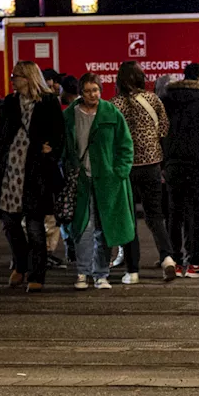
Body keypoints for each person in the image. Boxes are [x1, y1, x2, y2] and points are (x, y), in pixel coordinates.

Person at [0, 61, 65, 293]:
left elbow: (59, 134)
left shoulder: (48, 102)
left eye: (16, 76)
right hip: (11, 171)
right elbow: (1, 132)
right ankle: (21, 265)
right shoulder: (10, 102)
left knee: (35, 227)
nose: (12, 80)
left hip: (35, 172)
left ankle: (37, 274)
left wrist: (51, 149)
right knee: (10, 223)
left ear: (28, 78)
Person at [64, 73, 135, 290]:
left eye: (95, 90)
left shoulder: (111, 113)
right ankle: (83, 273)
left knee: (105, 229)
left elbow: (126, 145)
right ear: (80, 92)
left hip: (108, 182)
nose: (92, 95)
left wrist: (119, 172)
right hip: (82, 181)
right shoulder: (70, 116)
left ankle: (101, 274)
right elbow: (66, 147)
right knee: (82, 228)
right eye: (87, 91)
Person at [111, 62, 177, 283]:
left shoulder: (115, 105)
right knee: (155, 216)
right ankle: (167, 258)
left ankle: (133, 270)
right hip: (151, 166)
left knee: (128, 219)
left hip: (126, 168)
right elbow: (164, 129)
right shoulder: (153, 99)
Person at [161, 62, 199, 278]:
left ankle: (174, 260)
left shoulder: (166, 101)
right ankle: (193, 263)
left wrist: (163, 163)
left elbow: (160, 133)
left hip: (173, 164)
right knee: (196, 216)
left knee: (174, 214)